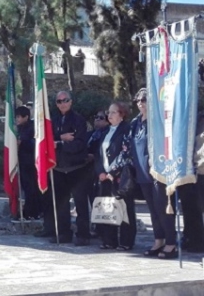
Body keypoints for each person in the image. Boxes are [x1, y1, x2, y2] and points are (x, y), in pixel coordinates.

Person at [112, 88, 176, 258]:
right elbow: (126, 148)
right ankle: (159, 240)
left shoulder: (158, 121)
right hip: (142, 172)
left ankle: (171, 243)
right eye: (138, 100)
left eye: (145, 99)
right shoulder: (135, 123)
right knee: (153, 210)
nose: (141, 103)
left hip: (159, 172)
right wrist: (115, 168)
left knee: (164, 208)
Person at [36, 91, 91, 246]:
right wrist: (61, 138)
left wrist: (58, 143)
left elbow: (79, 143)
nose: (62, 104)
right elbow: (46, 141)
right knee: (61, 205)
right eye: (59, 101)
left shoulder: (78, 120)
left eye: (65, 100)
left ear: (71, 101)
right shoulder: (52, 121)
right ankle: (64, 233)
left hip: (77, 168)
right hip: (59, 168)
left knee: (80, 204)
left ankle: (83, 234)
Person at [94, 101, 136, 251]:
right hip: (104, 176)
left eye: (113, 112)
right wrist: (100, 172)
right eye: (108, 112)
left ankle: (126, 241)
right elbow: (99, 154)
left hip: (120, 176)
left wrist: (113, 172)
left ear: (122, 115)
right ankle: (109, 240)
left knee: (124, 208)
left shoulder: (127, 129)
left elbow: (126, 152)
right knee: (107, 208)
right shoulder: (105, 131)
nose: (109, 115)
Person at [15, 106, 40, 220]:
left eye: (19, 117)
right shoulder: (19, 128)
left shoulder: (32, 127)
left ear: (26, 117)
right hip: (23, 161)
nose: (17, 119)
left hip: (31, 162)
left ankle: (32, 211)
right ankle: (29, 210)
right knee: (26, 187)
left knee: (32, 188)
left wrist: (22, 142)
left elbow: (35, 143)